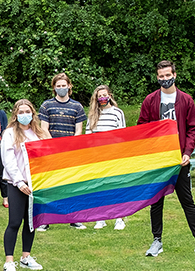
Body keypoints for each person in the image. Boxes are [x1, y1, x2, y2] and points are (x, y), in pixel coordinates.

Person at [139, 60, 195, 257]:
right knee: (156, 201)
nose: (165, 79)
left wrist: (187, 152)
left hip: (179, 160)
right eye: (161, 76)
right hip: (158, 160)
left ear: (174, 75)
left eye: (168, 75)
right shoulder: (150, 101)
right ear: (157, 77)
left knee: (187, 200)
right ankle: (156, 241)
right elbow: (142, 127)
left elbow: (193, 128)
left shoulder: (186, 100)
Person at [1, 99, 51, 271]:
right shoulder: (9, 134)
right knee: (15, 222)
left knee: (31, 223)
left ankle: (26, 257)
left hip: (35, 183)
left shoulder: (38, 133)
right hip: (16, 184)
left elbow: (47, 154)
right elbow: (8, 159)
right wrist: (19, 182)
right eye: (20, 112)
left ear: (33, 114)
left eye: (27, 111)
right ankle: (9, 262)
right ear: (15, 115)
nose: (24, 115)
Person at [38, 72, 87, 230]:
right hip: (51, 151)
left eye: (63, 86)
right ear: (54, 88)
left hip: (70, 151)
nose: (61, 88)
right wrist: (55, 146)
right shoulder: (46, 105)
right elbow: (43, 128)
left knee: (70, 184)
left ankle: (73, 218)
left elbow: (79, 130)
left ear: (69, 86)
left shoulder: (77, 106)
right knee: (50, 185)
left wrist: (69, 145)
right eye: (58, 86)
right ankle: (46, 219)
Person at [86, 85, 128, 230]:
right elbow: (88, 137)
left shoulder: (117, 113)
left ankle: (119, 218)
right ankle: (101, 217)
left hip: (114, 155)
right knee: (99, 187)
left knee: (115, 186)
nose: (102, 98)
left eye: (104, 95)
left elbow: (122, 135)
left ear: (109, 95)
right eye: (99, 96)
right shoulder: (92, 115)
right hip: (97, 156)